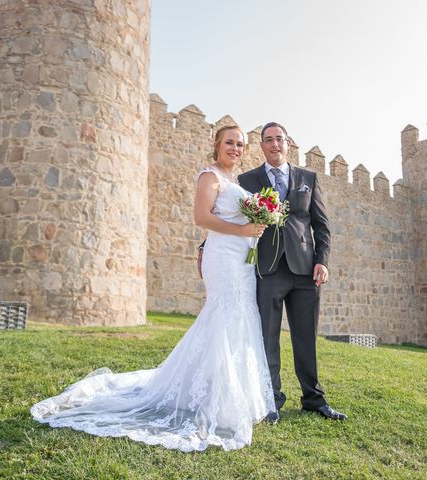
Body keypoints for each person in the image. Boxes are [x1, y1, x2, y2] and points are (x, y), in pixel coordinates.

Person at [31, 126, 276, 452]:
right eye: (229, 142)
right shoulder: (210, 177)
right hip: (223, 257)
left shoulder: (236, 182)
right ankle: (215, 398)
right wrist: (242, 228)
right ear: (217, 145)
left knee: (242, 316)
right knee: (223, 314)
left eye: (240, 144)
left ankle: (234, 394)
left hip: (242, 261)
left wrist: (256, 226)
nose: (235, 148)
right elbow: (200, 217)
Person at [238, 122, 346, 422]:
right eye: (268, 140)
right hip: (268, 269)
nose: (275, 144)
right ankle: (270, 400)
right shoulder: (247, 180)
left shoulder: (308, 178)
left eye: (280, 139)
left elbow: (321, 225)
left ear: (289, 144)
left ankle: (314, 398)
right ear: (261, 146)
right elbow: (233, 219)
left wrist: (322, 260)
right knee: (267, 338)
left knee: (305, 337)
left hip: (305, 271)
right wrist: (206, 246)